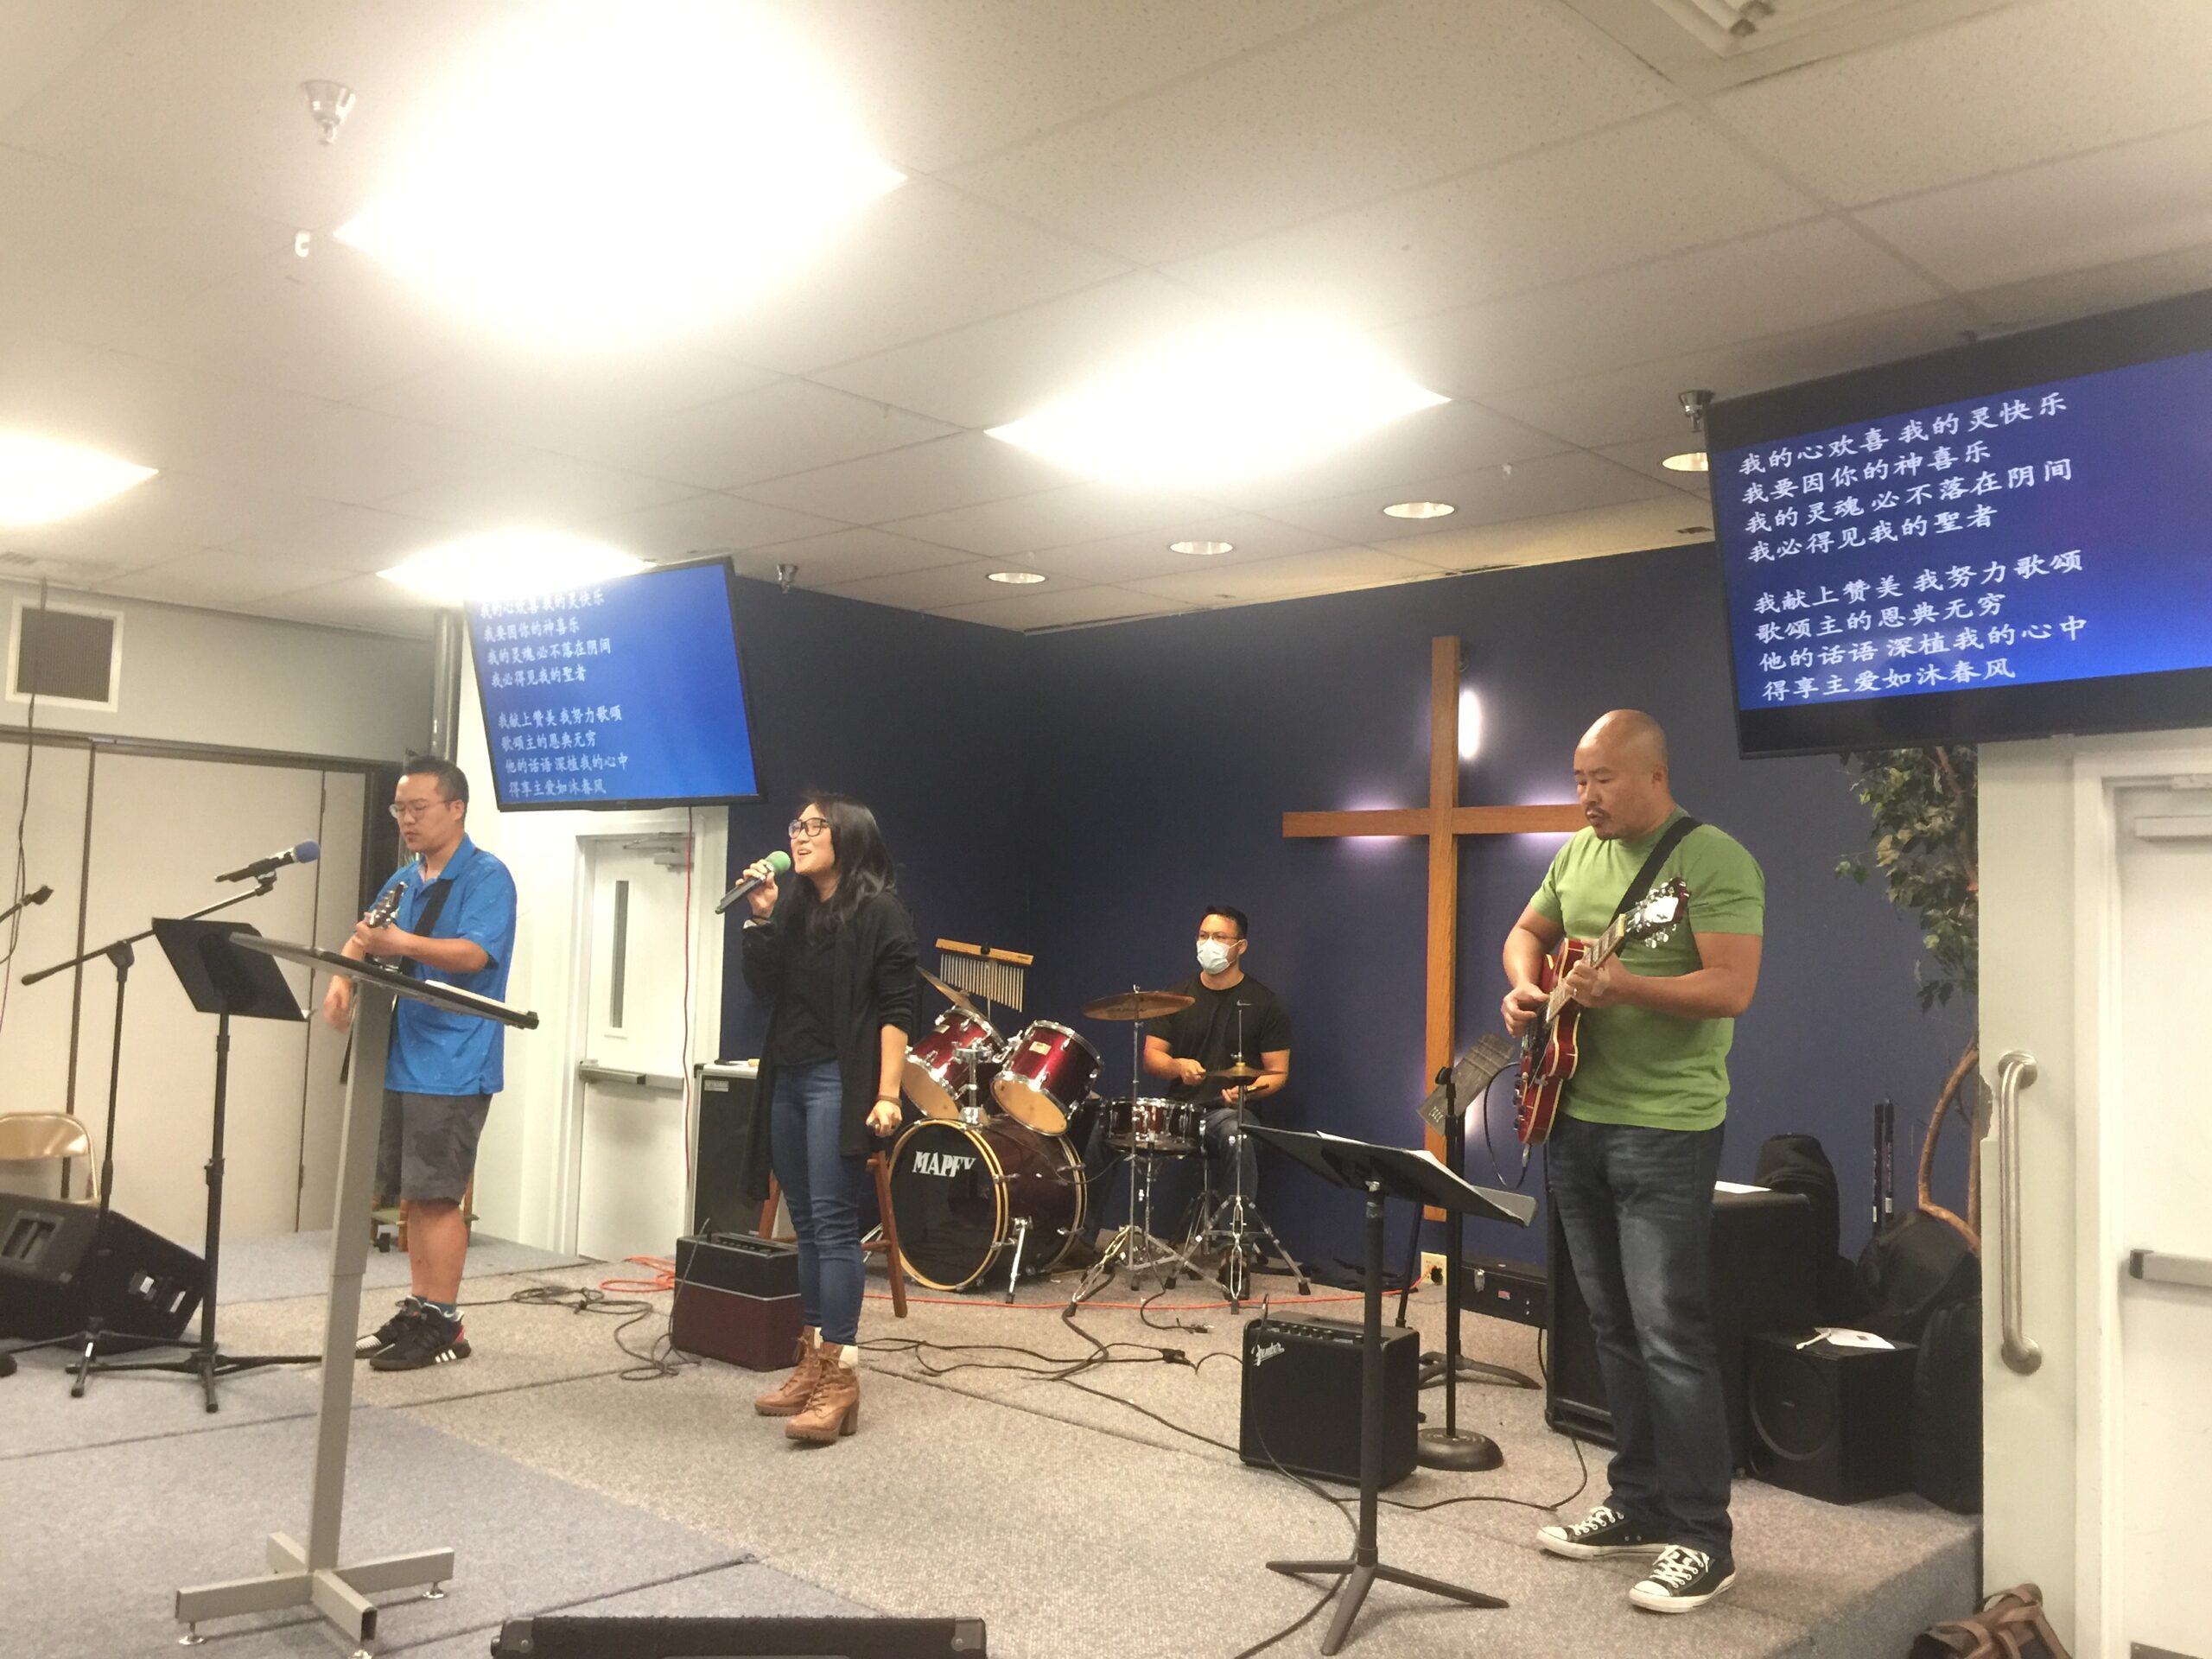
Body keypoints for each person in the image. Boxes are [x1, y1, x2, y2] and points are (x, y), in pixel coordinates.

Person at [1500, 710, 1764, 1614]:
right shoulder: (1577, 854)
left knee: (1668, 1331)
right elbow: (1525, 933)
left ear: (1654, 775)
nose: (1586, 795)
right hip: (1572, 1115)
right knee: (1609, 1323)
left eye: (1602, 779)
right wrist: (1526, 985)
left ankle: (1703, 1537)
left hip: (1665, 1128)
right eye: (1579, 779)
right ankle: (1637, 1500)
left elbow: (1731, 986)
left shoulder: (1713, 862)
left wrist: (1627, 986)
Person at [323, 755, 518, 1373]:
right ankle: (419, 1308)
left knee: (437, 1197)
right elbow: (365, 933)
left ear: (456, 809)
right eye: (399, 810)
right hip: (400, 1054)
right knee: (412, 1197)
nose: (406, 820)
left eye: (418, 808)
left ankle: (445, 1323)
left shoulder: (486, 876)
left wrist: (398, 943)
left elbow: (473, 954)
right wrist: (342, 978)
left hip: (453, 1060)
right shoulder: (405, 878)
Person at [738, 794, 917, 1444]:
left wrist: (889, 1093)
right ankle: (812, 1359)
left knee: (836, 1223)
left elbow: (897, 1009)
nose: (801, 834)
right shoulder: (793, 908)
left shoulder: (880, 911)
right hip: (787, 1076)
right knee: (807, 1224)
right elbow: (764, 988)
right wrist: (760, 917)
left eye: (816, 825)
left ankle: (840, 1375)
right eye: (797, 825)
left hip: (838, 1081)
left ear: (849, 836)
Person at [1141, 906, 1290, 1242]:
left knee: (1240, 1134)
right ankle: (1081, 1238)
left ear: (1241, 946)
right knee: (1104, 1126)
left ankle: (1232, 1245)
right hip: (1179, 1112)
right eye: (1203, 936)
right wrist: (1178, 1065)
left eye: (1219, 937)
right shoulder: (1176, 996)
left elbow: (1278, 1073)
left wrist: (1247, 1092)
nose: (1208, 944)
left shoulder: (1265, 1004)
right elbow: (1152, 1057)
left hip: (1227, 1113)